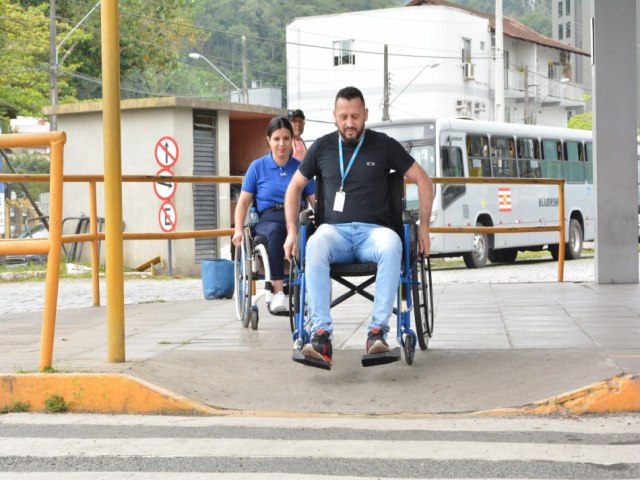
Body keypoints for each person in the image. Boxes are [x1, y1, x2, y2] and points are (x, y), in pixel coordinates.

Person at [283, 86, 433, 366]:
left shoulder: (384, 144)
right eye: (343, 117)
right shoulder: (323, 147)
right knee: (314, 243)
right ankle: (321, 336)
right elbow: (294, 188)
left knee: (393, 244)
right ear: (334, 117)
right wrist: (292, 232)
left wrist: (424, 228)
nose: (349, 123)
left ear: (365, 114)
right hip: (334, 233)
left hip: (373, 234)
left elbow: (424, 181)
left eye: (354, 116)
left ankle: (377, 333)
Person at [233, 116, 315, 313]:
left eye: (286, 139)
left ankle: (311, 290)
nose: (281, 144)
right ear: (268, 140)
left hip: (296, 217)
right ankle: (278, 292)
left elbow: (314, 201)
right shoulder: (257, 167)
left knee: (313, 234)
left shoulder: (300, 168)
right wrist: (237, 230)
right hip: (268, 219)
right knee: (278, 231)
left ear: (291, 140)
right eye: (277, 139)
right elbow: (243, 202)